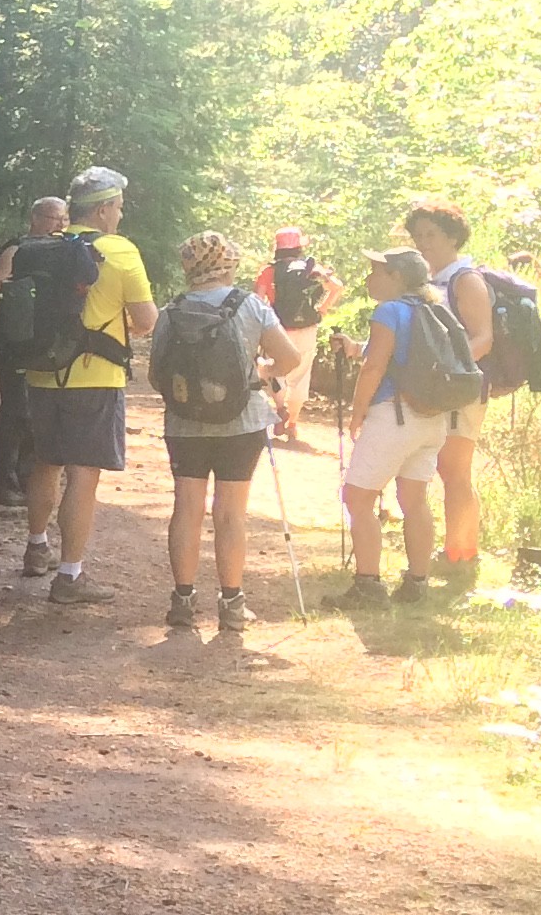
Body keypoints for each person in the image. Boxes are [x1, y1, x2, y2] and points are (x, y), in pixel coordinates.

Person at [19, 166, 157, 605]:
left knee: (45, 462)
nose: (119, 214)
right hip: (95, 378)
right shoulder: (119, 251)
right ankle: (70, 576)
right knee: (82, 475)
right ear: (102, 210)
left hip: (42, 370)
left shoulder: (43, 247)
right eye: (117, 207)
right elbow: (147, 321)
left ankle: (36, 547)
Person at [154, 231, 293, 633]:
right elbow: (289, 357)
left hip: (184, 424)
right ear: (227, 264)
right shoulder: (250, 305)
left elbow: (156, 373)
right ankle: (231, 604)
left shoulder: (172, 311)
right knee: (230, 513)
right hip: (242, 422)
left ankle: (182, 600)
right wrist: (262, 372)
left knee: (187, 508)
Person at [338, 247, 455, 610]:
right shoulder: (434, 308)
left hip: (394, 416)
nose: (369, 277)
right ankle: (417, 583)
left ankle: (368, 587)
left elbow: (374, 368)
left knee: (358, 498)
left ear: (396, 277)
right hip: (432, 418)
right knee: (415, 500)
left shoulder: (389, 311)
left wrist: (357, 413)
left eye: (376, 271)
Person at [404, 200, 492, 587]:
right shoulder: (430, 281)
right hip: (435, 391)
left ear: (453, 237)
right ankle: (453, 552)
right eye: (418, 236)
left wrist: (450, 374)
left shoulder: (465, 279)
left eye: (432, 235)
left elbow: (483, 338)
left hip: (462, 392)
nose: (424, 243)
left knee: (455, 472)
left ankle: (462, 555)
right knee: (436, 469)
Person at [0, 197, 69, 504]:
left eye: (64, 219)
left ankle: (26, 480)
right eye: (54, 218)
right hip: (12, 345)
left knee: (36, 409)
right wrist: (10, 335)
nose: (60, 225)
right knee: (16, 409)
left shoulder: (55, 253)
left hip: (36, 345)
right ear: (35, 218)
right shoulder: (17, 250)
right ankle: (0, 483)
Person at [253, 226, 343, 450]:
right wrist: (321, 310)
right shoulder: (311, 269)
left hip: (278, 327)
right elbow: (337, 287)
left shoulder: (269, 271)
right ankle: (292, 422)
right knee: (301, 374)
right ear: (299, 247)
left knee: (276, 369)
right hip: (307, 328)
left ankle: (280, 407)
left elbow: (257, 301)